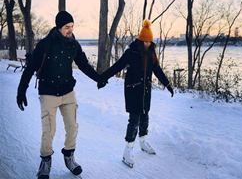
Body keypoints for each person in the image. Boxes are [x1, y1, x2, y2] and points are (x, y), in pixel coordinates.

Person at [17, 11, 100, 179]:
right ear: (58, 27)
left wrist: (98, 78)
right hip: (48, 93)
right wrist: (21, 91)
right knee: (49, 130)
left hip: (68, 92)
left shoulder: (73, 44)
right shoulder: (45, 44)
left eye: (72, 27)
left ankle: (69, 157)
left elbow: (83, 64)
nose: (70, 30)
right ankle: (45, 161)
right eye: (67, 27)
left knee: (72, 127)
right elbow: (31, 68)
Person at [98, 20, 174, 168]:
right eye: (144, 41)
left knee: (145, 116)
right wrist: (103, 77)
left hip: (145, 91)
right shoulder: (131, 53)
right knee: (134, 119)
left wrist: (168, 84)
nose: (147, 44)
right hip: (133, 91)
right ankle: (128, 149)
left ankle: (143, 141)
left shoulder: (151, 54)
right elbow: (117, 66)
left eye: (149, 41)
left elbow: (157, 71)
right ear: (140, 41)